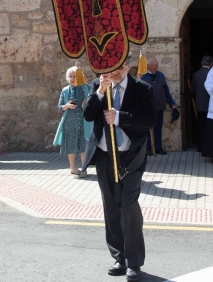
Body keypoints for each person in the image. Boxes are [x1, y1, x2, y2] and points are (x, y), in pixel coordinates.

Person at [81, 53, 155, 281]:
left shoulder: (143, 89)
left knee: (128, 205)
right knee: (111, 206)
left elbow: (149, 121)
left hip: (130, 156)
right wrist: (100, 92)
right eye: (112, 67)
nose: (116, 71)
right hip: (105, 155)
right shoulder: (97, 85)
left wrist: (120, 117)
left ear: (128, 65)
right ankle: (119, 257)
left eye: (121, 66)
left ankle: (134, 262)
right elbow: (88, 114)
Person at [54, 66, 88, 177]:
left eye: (75, 76)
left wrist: (84, 104)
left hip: (82, 120)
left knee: (83, 144)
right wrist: (67, 106)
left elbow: (91, 100)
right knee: (70, 144)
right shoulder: (65, 90)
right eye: (70, 76)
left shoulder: (84, 87)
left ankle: (84, 168)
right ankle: (73, 167)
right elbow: (59, 107)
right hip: (69, 121)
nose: (73, 78)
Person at [140, 57, 177, 155]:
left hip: (160, 106)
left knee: (158, 128)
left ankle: (158, 147)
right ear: (148, 66)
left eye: (157, 65)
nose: (157, 67)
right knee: (148, 129)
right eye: (155, 65)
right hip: (148, 108)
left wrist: (172, 102)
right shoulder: (143, 77)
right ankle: (148, 148)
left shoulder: (160, 75)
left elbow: (166, 90)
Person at [188, 55, 212, 153]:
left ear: (202, 63)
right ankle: (210, 147)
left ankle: (201, 147)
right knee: (211, 127)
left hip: (200, 105)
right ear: (211, 64)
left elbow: (192, 91)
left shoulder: (196, 74)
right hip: (212, 105)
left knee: (201, 127)